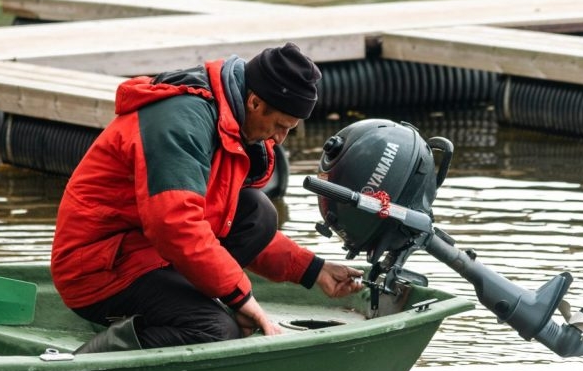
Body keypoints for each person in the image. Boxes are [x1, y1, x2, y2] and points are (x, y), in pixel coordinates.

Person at [51, 42, 364, 352]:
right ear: (255, 102)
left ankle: (188, 301)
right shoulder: (181, 121)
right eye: (280, 126)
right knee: (216, 330)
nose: (280, 138)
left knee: (258, 213)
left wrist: (314, 270)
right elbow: (175, 226)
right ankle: (91, 359)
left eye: (290, 129)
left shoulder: (233, 120)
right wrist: (242, 298)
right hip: (97, 270)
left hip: (148, 252)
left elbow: (222, 220)